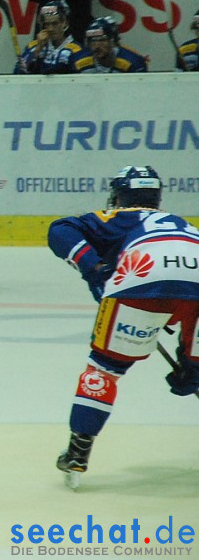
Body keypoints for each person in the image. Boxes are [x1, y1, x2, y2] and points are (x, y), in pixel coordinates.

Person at [47, 165, 199, 489]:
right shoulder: (184, 225)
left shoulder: (123, 217)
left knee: (104, 370)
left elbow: (60, 230)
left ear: (120, 195)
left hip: (140, 277)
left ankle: (78, 451)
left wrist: (95, 268)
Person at [14, 1, 82, 74]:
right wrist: (38, 50)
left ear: (65, 23)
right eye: (47, 24)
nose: (50, 29)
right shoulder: (33, 46)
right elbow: (17, 73)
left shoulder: (77, 50)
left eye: (55, 23)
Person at [70, 16, 148, 73]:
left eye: (102, 40)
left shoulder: (133, 62)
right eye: (92, 41)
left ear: (113, 41)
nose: (96, 46)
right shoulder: (77, 61)